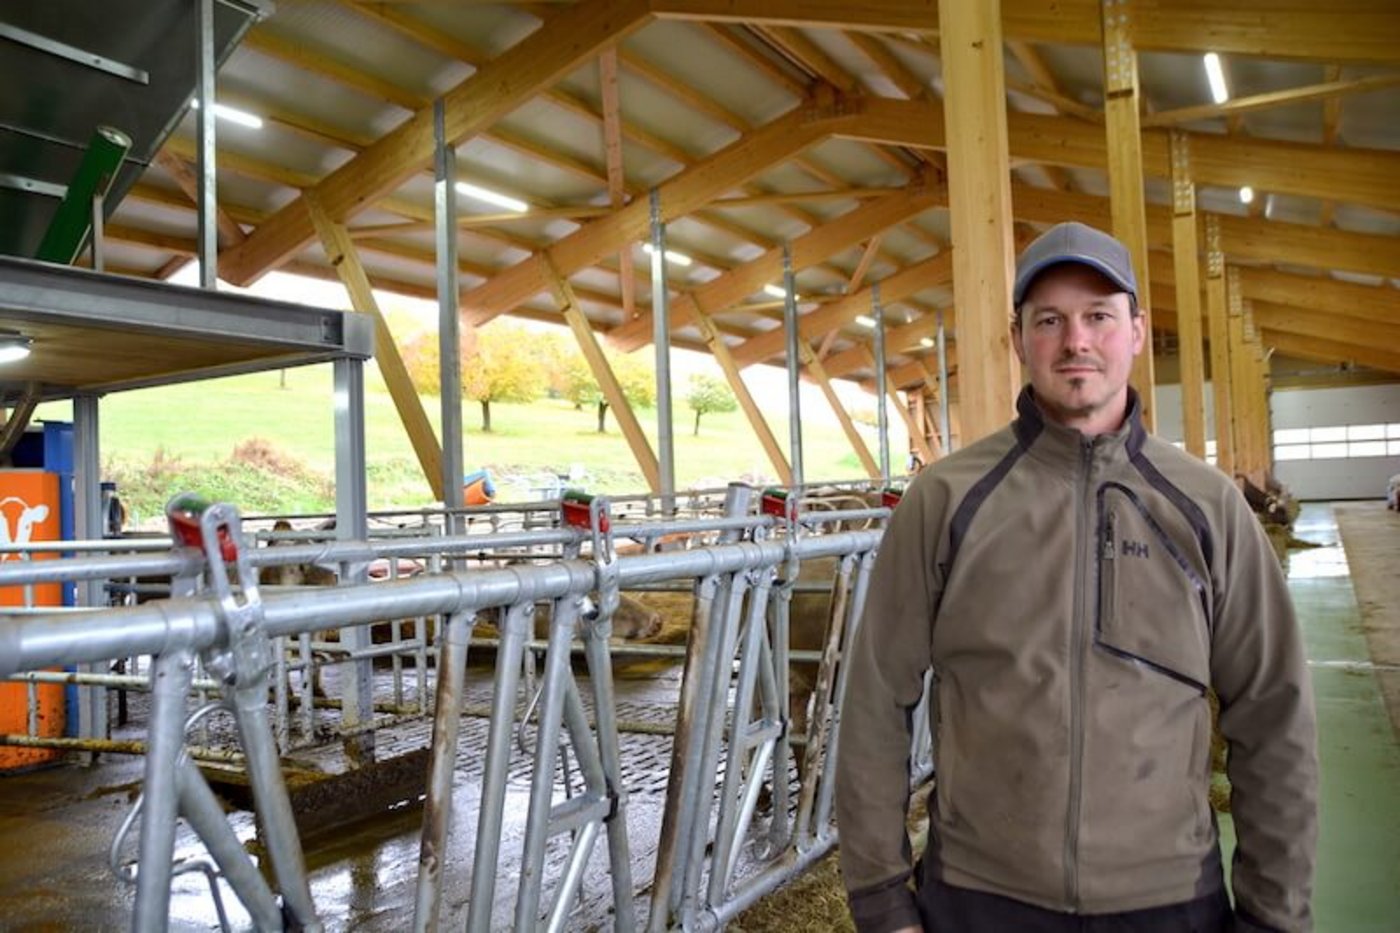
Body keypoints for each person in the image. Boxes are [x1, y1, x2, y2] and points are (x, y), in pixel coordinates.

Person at [835, 222, 1318, 932]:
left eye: (1098, 316)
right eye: (1050, 320)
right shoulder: (945, 501)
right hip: (977, 897)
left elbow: (1273, 712)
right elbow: (878, 699)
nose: (1076, 341)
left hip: (1167, 900)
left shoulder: (1208, 505)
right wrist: (880, 898)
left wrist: (1274, 914)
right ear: (1018, 337)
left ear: (1137, 332)